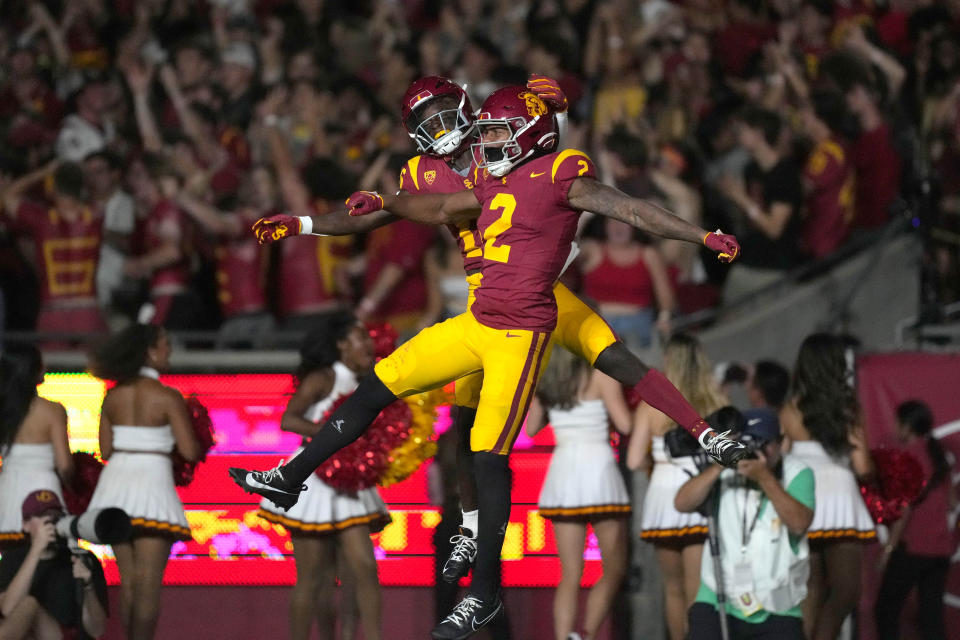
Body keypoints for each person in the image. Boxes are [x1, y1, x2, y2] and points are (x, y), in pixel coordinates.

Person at [233, 84, 745, 640]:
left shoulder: (506, 148)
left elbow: (573, 176)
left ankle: (701, 432)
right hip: (482, 300)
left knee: (605, 362)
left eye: (449, 114)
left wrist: (563, 110)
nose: (454, 130)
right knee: (464, 432)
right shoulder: (446, 171)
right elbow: (418, 208)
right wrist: (310, 223)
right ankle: (467, 527)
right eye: (424, 120)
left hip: (532, 297)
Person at [257, 315, 389, 640]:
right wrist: (332, 435)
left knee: (364, 569)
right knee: (315, 579)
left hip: (350, 480)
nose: (368, 344)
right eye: (360, 337)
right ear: (342, 345)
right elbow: (289, 420)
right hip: (313, 476)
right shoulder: (323, 378)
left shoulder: (370, 382)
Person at [87, 324, 200, 640]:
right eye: (165, 344)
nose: (169, 350)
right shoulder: (167, 396)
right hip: (153, 488)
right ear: (150, 351)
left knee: (130, 585)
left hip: (115, 488)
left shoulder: (113, 397)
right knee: (149, 585)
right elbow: (190, 450)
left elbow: (106, 450)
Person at [675, 408, 815, 640]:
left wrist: (765, 477)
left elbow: (799, 523)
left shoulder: (797, 473)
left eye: (763, 443)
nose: (755, 450)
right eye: (748, 442)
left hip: (778, 601)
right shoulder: (725, 471)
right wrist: (721, 462)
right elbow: (682, 503)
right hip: (719, 596)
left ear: (780, 443)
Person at [525, 348, 632, 640]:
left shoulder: (546, 380)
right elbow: (625, 424)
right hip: (599, 475)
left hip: (564, 475)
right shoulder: (601, 375)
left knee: (570, 574)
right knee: (613, 569)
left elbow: (531, 428)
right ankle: (586, 635)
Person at [628, 334, 728, 640]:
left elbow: (633, 460)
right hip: (700, 497)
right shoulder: (716, 402)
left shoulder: (651, 405)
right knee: (698, 588)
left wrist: (655, 467)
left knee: (672, 589)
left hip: (662, 499)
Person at [780, 333, 875, 640]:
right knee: (846, 592)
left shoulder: (789, 410)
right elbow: (863, 467)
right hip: (840, 500)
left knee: (808, 588)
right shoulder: (846, 408)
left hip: (800, 497)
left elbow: (780, 458)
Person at [874, 400, 957, 640]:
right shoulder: (938, 455)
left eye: (897, 422)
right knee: (932, 619)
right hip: (940, 549)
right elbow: (951, 502)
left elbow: (904, 508)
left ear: (907, 426)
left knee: (885, 612)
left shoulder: (908, 457)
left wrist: (888, 548)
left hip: (912, 548)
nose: (894, 428)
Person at [0, 160, 107, 337]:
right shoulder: (95, 216)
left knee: (56, 365)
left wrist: (44, 171)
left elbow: (6, 196)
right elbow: (101, 194)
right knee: (93, 365)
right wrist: (81, 177)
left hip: (54, 312)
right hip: (88, 312)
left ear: (53, 187)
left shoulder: (42, 220)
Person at [0, 490, 108, 640]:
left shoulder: (83, 558)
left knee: (30, 604)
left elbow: (97, 630)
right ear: (25, 525)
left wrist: (88, 586)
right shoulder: (13, 558)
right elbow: (7, 609)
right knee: (27, 606)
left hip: (62, 636)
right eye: (42, 515)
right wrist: (36, 550)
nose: (50, 521)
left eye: (55, 515)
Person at [0, 345, 74, 546]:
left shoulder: (4, 408)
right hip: (43, 490)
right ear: (34, 370)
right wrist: (75, 488)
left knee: (10, 564)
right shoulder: (52, 410)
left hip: (7, 489)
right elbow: (65, 465)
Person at [581, 218, 676, 351]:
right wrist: (586, 216)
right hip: (599, 322)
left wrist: (665, 318)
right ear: (605, 226)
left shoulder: (648, 254)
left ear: (633, 227)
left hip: (637, 324)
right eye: (612, 222)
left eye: (622, 222)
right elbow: (567, 246)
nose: (617, 227)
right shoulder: (592, 249)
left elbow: (665, 296)